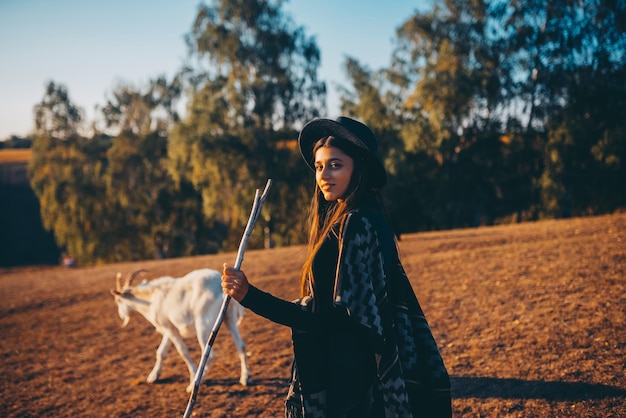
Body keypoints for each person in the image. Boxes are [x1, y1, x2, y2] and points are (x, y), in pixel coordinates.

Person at [222, 116, 452, 417]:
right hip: (364, 377)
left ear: (359, 167)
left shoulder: (355, 224)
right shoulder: (370, 217)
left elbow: (330, 320)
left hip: (349, 384)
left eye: (335, 165)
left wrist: (250, 296)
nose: (324, 176)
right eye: (319, 166)